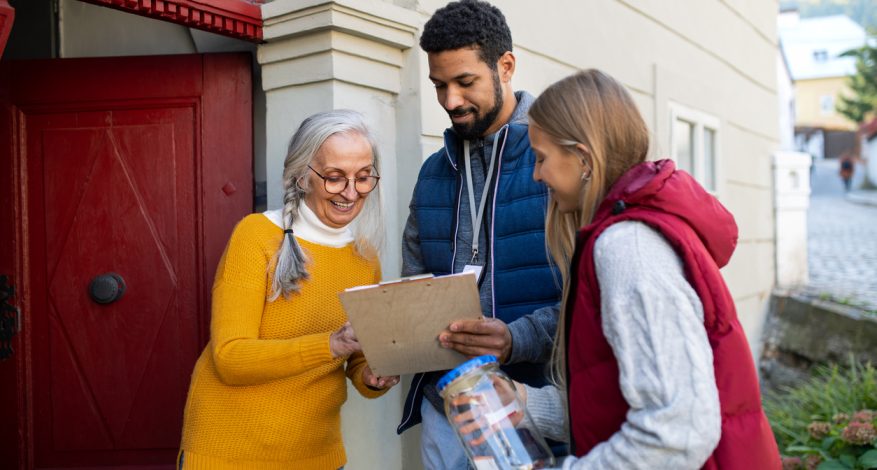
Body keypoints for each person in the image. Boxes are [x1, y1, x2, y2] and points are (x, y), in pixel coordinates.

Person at [520, 69, 782, 468]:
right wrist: (525, 404)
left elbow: (679, 430)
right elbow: (613, 396)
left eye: (541, 158)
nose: (537, 175)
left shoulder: (629, 249)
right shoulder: (627, 234)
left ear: (583, 158)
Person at [178, 110, 399, 469]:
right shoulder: (255, 235)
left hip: (317, 454)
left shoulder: (364, 256)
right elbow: (230, 359)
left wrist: (373, 378)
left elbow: (356, 359)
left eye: (363, 177)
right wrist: (330, 344)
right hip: (230, 452)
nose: (351, 192)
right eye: (334, 177)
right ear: (302, 175)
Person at [396, 1, 562, 468]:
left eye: (465, 82)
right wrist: (389, 346)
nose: (450, 101)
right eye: (438, 86)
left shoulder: (556, 160)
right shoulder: (433, 173)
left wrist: (515, 339)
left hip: (534, 407)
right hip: (444, 410)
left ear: (505, 66)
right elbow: (416, 284)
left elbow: (590, 298)